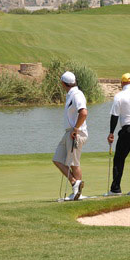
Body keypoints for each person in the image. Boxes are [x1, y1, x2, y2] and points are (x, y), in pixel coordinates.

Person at [52, 71, 88, 201]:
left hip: (76, 133)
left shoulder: (77, 95)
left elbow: (83, 113)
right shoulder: (71, 94)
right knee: (57, 159)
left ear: (63, 83)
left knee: (74, 163)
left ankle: (78, 194)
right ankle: (74, 183)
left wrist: (76, 129)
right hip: (69, 132)